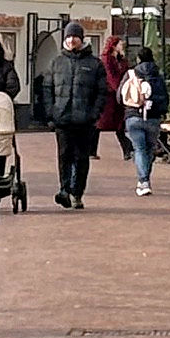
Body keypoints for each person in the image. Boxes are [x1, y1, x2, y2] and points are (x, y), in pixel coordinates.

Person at [44, 22, 109, 210]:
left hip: (84, 120)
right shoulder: (56, 62)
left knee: (81, 158)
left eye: (75, 37)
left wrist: (94, 114)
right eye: (68, 37)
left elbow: (102, 92)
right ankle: (64, 190)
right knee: (64, 156)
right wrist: (51, 112)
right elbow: (47, 89)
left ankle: (77, 193)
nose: (71, 40)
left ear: (81, 39)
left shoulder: (94, 64)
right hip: (62, 119)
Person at [120, 47, 168, 195]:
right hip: (153, 118)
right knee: (149, 149)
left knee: (139, 149)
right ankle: (144, 179)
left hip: (133, 116)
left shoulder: (130, 74)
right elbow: (165, 99)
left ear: (138, 59)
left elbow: (120, 95)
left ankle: (143, 181)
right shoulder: (158, 76)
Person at [98, 34, 134, 162]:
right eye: (119, 44)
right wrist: (120, 90)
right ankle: (91, 149)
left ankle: (127, 150)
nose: (122, 46)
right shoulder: (106, 59)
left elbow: (126, 73)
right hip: (109, 96)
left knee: (120, 125)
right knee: (100, 124)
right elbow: (110, 76)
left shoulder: (121, 59)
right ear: (114, 46)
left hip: (118, 97)